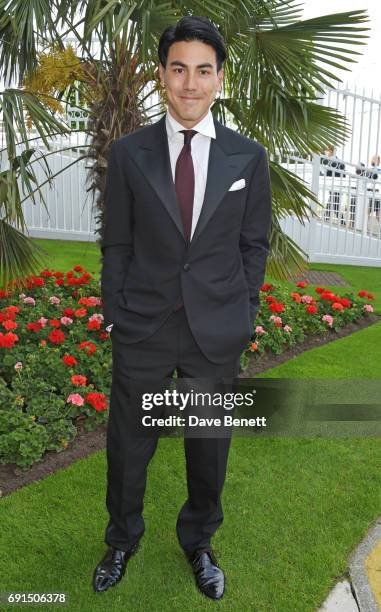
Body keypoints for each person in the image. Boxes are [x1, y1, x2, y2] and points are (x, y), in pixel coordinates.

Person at [93, 15, 272, 601]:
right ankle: (121, 539)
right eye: (179, 69)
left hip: (214, 329)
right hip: (142, 325)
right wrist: (115, 310)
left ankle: (199, 542)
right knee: (128, 444)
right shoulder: (128, 153)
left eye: (203, 70)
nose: (190, 84)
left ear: (220, 77)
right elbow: (116, 241)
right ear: (162, 75)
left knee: (208, 446)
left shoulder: (248, 158)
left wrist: (242, 313)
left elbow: (253, 245)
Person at [320, 146, 346, 225]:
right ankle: (328, 219)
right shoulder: (332, 161)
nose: (326, 153)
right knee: (334, 204)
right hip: (335, 186)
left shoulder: (335, 162)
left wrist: (321, 172)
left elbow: (328, 174)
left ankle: (327, 219)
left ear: (331, 151)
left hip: (336, 186)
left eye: (327, 151)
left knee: (334, 204)